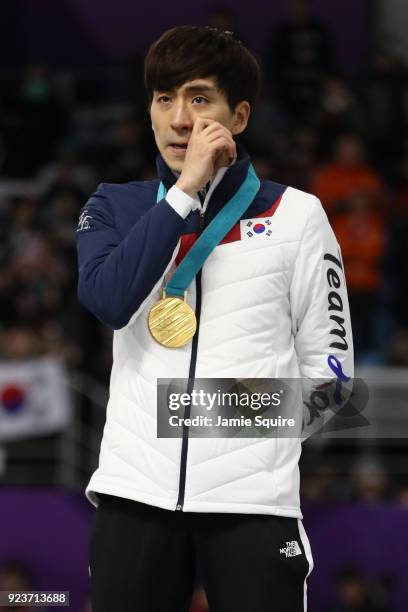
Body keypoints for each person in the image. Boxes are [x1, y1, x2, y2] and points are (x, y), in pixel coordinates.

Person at [76, 25, 353, 612]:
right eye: (164, 99)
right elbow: (108, 300)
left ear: (241, 115)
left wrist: (212, 419)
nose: (180, 119)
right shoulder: (113, 205)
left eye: (199, 99)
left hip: (255, 505)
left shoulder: (297, 216)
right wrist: (185, 191)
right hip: (134, 497)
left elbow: (333, 382)